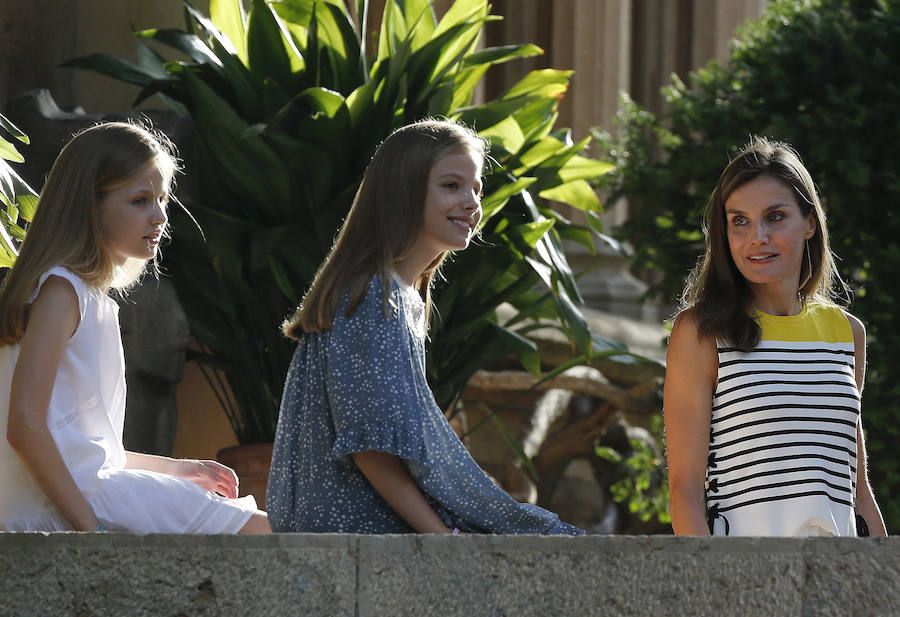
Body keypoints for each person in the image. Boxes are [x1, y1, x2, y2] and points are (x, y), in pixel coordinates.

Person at [266, 119, 582, 535]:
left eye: (476, 190)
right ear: (402, 193)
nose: (471, 202)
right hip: (354, 525)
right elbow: (370, 447)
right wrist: (441, 537)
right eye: (452, 186)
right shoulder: (371, 298)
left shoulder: (400, 297)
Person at [0, 121, 270, 533]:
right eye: (141, 200)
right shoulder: (61, 291)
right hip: (62, 507)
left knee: (258, 528)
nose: (160, 216)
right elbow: (24, 425)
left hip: (81, 495)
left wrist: (181, 469)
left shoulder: (91, 299)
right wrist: (92, 531)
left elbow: (93, 451)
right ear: (88, 205)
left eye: (162, 199)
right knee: (260, 531)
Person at [664, 136, 886, 536]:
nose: (757, 237)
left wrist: (885, 588)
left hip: (839, 580)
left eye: (775, 216)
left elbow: (857, 490)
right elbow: (685, 491)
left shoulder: (846, 332)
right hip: (745, 579)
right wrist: (714, 586)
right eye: (740, 221)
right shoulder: (700, 333)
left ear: (809, 223)